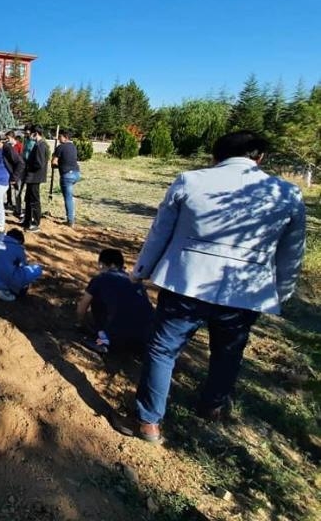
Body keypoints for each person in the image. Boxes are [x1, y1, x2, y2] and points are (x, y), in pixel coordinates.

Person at [114, 131, 306, 443]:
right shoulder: (287, 194)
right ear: (260, 159)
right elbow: (291, 253)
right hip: (245, 291)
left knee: (163, 350)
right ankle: (211, 409)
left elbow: (160, 231)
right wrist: (280, 293)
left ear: (215, 157)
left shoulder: (190, 181)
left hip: (186, 282)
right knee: (228, 352)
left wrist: (140, 271)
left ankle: (148, 422)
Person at [76, 249, 154, 354]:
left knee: (98, 300)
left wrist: (81, 324)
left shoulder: (100, 279)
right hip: (147, 339)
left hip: (118, 338)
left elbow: (81, 309)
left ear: (102, 265)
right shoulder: (136, 281)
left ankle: (104, 342)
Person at [0, 229, 43, 301]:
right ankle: (2, 290)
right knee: (36, 270)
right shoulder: (18, 248)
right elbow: (22, 267)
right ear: (20, 241)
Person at [21, 125, 49, 233]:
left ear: (35, 133)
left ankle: (35, 223)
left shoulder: (41, 145)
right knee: (28, 199)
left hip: (35, 177)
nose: (29, 136)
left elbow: (39, 163)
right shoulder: (38, 144)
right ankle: (27, 220)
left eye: (31, 133)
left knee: (34, 200)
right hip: (31, 177)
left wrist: (28, 166)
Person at [51, 130, 81, 227]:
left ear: (65, 137)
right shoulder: (73, 146)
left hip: (67, 175)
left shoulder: (60, 147)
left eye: (60, 137)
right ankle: (71, 214)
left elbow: (54, 162)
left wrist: (55, 164)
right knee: (70, 195)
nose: (59, 138)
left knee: (68, 197)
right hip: (76, 173)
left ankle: (70, 220)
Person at [4, 131, 24, 212]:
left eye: (8, 138)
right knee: (7, 188)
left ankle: (18, 209)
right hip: (9, 170)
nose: (7, 140)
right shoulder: (7, 146)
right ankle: (9, 202)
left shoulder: (19, 146)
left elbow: (20, 159)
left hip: (17, 172)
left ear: (12, 138)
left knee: (17, 190)